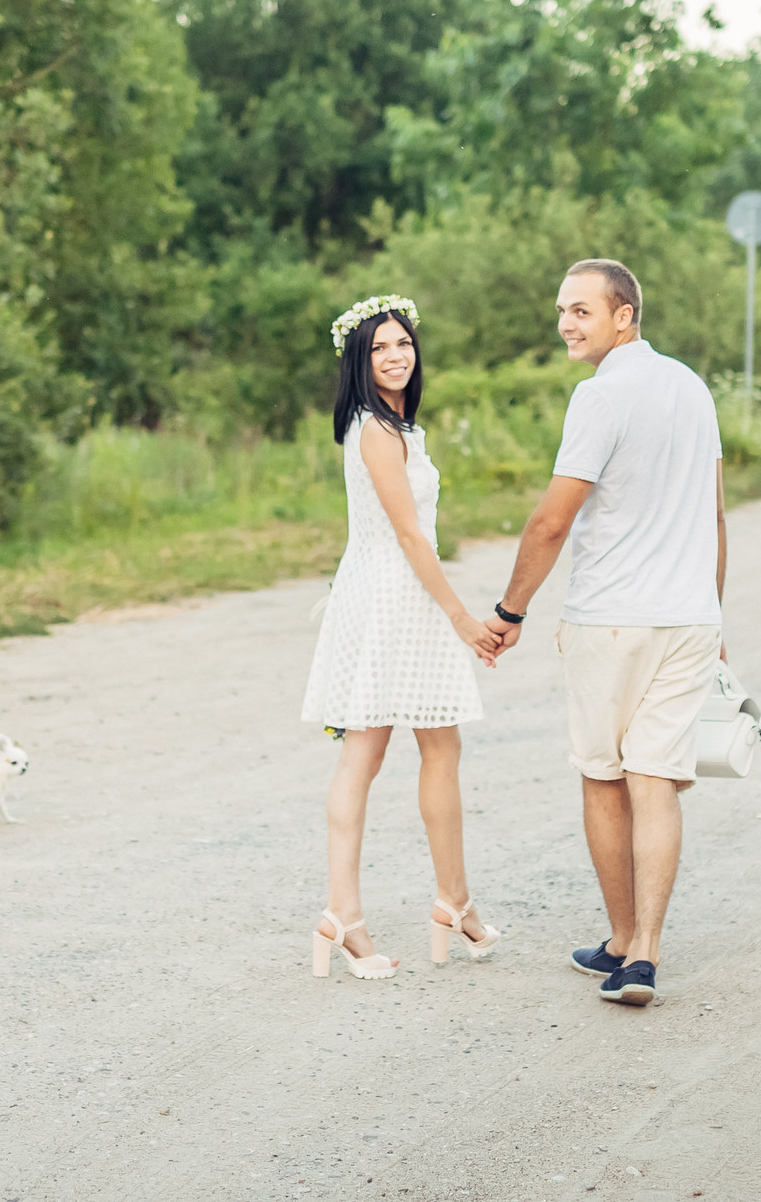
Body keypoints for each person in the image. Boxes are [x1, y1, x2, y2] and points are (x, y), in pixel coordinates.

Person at [484, 260, 726, 1008]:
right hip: (689, 616)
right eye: (562, 309)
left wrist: (510, 610)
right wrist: (713, 616)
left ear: (625, 316)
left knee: (603, 774)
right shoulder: (692, 386)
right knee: (655, 780)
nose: (566, 323)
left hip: (613, 617)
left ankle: (626, 938)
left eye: (582, 310)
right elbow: (715, 516)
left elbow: (553, 519)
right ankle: (638, 953)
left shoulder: (600, 396)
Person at [301, 294, 505, 980]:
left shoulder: (397, 426)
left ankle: (455, 900)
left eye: (404, 344)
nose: (395, 354)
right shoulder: (374, 432)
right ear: (359, 360)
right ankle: (345, 915)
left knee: (441, 747)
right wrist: (461, 617)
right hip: (393, 597)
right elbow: (409, 534)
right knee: (365, 753)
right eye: (380, 346)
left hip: (399, 592)